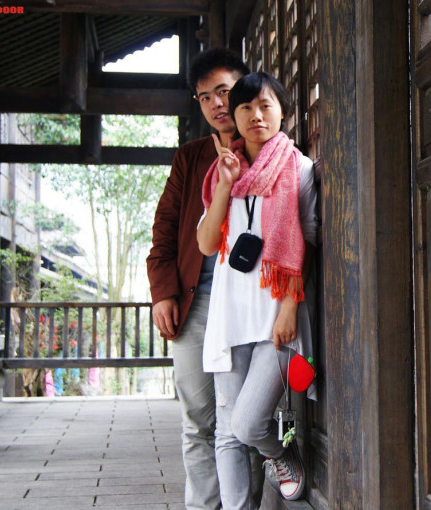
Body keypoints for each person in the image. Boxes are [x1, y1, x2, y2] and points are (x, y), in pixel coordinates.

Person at [197, 71, 318, 508]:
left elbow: (308, 239)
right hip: (230, 316)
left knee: (247, 424)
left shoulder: (299, 169)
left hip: (276, 317)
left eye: (266, 105)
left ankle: (280, 454)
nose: (256, 115)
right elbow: (207, 243)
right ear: (234, 117)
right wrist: (226, 184)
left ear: (282, 112)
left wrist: (289, 307)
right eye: (245, 107)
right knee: (227, 434)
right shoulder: (222, 172)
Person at [146, 48, 250, 510]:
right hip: (197, 299)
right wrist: (163, 293)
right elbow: (165, 229)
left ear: (244, 87)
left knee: (243, 419)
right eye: (205, 97)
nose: (216, 104)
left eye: (223, 91)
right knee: (197, 419)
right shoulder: (190, 158)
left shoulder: (266, 149)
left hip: (249, 300)